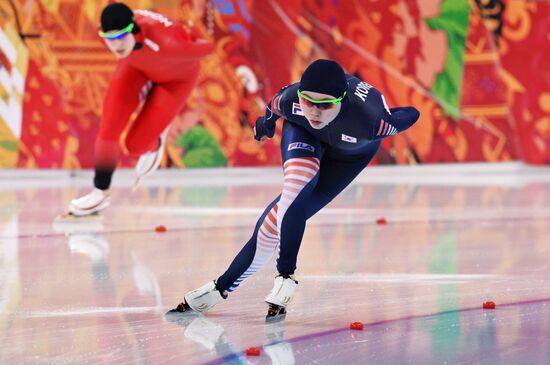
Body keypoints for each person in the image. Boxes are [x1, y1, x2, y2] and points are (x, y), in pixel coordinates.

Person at [167, 59, 420, 321]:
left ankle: (227, 286)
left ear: (342, 100)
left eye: (325, 105)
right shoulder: (291, 100)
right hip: (304, 134)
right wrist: (265, 125)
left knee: (275, 221)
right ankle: (248, 283)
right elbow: (271, 109)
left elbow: (411, 113)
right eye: (309, 102)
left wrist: (395, 114)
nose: (315, 111)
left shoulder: (373, 121)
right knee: (295, 188)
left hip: (347, 159)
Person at [67, 2, 213, 217]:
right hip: (136, 68)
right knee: (108, 129)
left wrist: (194, 31)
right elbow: (116, 37)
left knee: (135, 146)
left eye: (119, 38)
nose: (115, 45)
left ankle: (156, 142)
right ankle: (100, 192)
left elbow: (208, 47)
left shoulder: (170, 43)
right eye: (109, 39)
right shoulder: (114, 39)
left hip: (176, 80)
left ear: (133, 31)